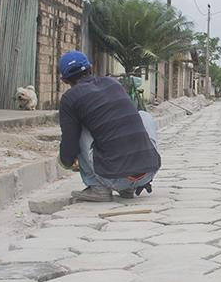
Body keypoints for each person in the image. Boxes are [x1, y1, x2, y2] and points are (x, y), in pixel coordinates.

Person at [56, 50, 161, 202]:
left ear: (64, 80)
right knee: (144, 116)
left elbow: (69, 144)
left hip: (115, 178)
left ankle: (97, 188)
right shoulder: (113, 83)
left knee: (80, 129)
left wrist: (65, 161)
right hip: (148, 173)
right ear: (90, 68)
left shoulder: (69, 99)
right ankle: (129, 188)